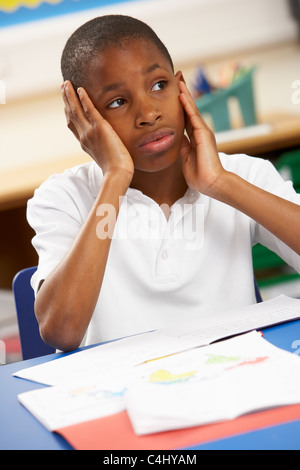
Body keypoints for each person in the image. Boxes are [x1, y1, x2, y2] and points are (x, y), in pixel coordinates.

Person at [27, 15, 300, 352]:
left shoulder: (241, 175)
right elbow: (61, 331)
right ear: (83, 119)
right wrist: (114, 179)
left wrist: (221, 184)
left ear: (181, 87)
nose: (148, 112)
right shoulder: (63, 198)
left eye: (159, 85)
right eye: (117, 102)